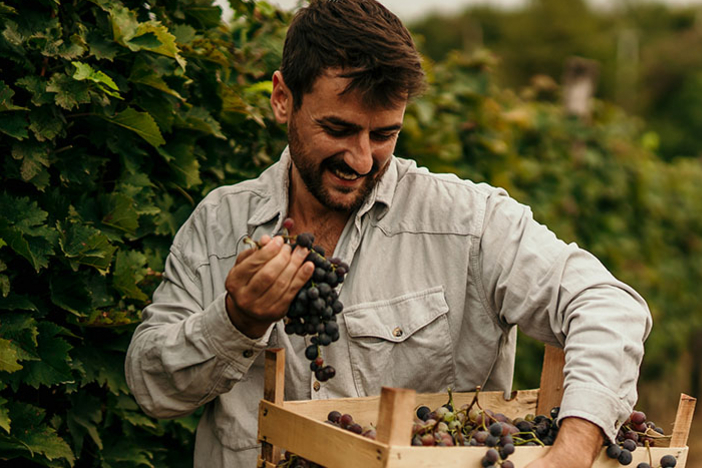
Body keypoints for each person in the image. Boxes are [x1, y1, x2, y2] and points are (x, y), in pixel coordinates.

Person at [122, 0, 653, 466]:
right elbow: (151, 387)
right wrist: (236, 321)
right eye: (338, 129)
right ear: (282, 98)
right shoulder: (219, 225)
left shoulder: (466, 222)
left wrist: (573, 448)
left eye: (384, 135)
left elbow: (608, 305)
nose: (360, 158)